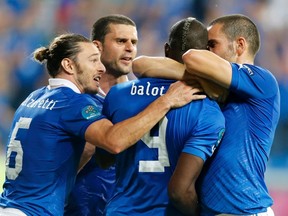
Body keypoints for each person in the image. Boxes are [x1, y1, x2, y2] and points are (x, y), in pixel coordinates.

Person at [0, 33, 202, 216]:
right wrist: (166, 101)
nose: (101, 67)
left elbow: (70, 152)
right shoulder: (71, 102)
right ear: (68, 65)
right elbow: (114, 141)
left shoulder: (34, 98)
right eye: (93, 60)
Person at [132, 14, 280, 215]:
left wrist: (199, 74)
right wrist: (206, 82)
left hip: (245, 210)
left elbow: (191, 57)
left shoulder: (262, 80)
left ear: (240, 45)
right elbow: (140, 65)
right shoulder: (215, 87)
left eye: (212, 44)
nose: (206, 50)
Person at [103, 17, 225, 216]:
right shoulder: (208, 110)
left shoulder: (117, 94)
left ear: (167, 50)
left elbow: (104, 159)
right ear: (206, 54)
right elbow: (181, 192)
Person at [64, 14, 138, 216]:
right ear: (97, 47)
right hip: (77, 209)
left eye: (134, 42)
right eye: (121, 41)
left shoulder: (139, 99)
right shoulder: (75, 98)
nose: (130, 48)